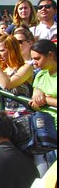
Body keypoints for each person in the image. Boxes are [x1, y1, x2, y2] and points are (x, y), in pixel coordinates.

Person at [28, 39, 58, 176]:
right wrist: (38, 96)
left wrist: (46, 99)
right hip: (43, 133)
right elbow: (35, 104)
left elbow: (42, 101)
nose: (34, 62)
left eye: (37, 58)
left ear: (50, 55)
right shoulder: (40, 75)